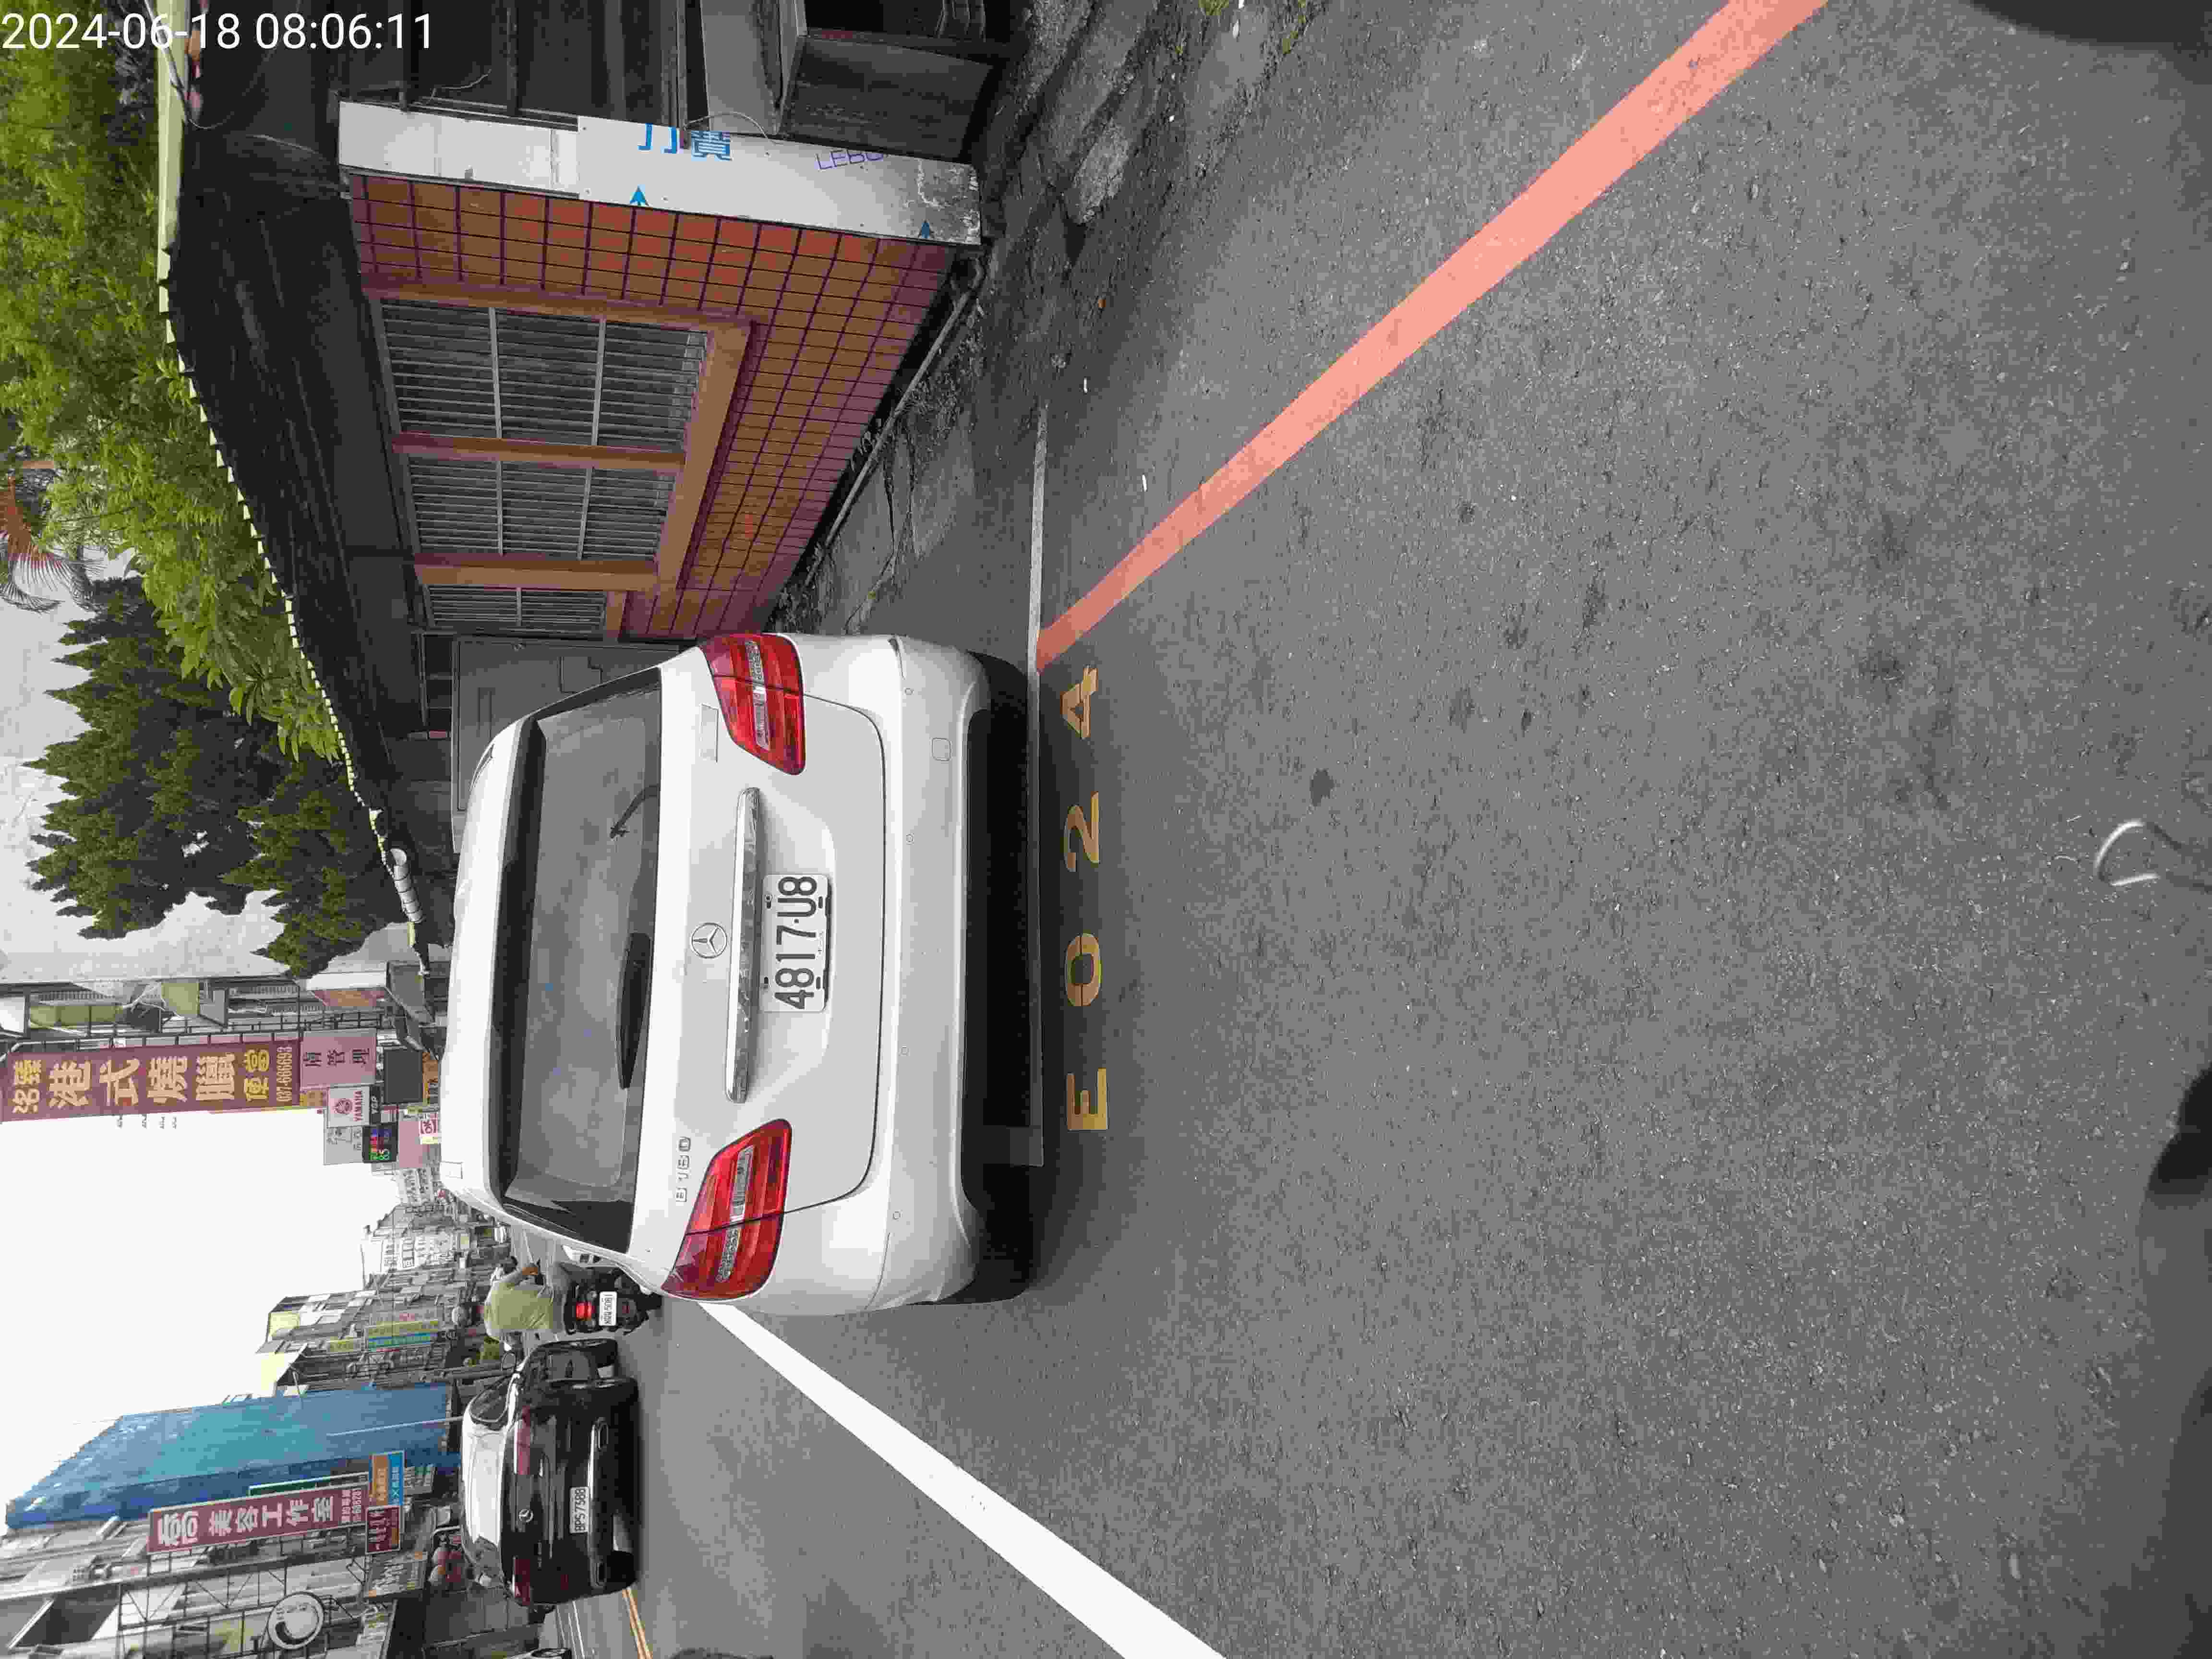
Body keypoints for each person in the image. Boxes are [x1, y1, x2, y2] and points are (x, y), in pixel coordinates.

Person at [481, 1256, 585, 1338]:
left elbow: (514, 1343)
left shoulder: (491, 1331)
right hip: (557, 1299)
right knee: (555, 1267)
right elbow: (530, 1268)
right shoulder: (496, 1289)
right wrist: (537, 1272)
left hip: (557, 1324)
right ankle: (591, 1277)